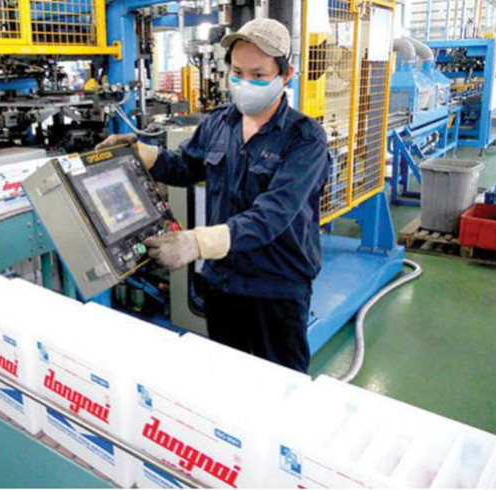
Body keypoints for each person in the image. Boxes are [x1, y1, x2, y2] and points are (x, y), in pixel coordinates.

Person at [96, 18, 330, 374]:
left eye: (258, 75)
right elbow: (184, 167)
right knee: (227, 380)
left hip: (276, 289)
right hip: (223, 283)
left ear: (286, 74)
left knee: (281, 389)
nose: (245, 83)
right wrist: (143, 154)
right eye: (237, 73)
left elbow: (272, 215)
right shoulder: (219, 123)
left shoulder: (305, 138)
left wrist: (196, 243)